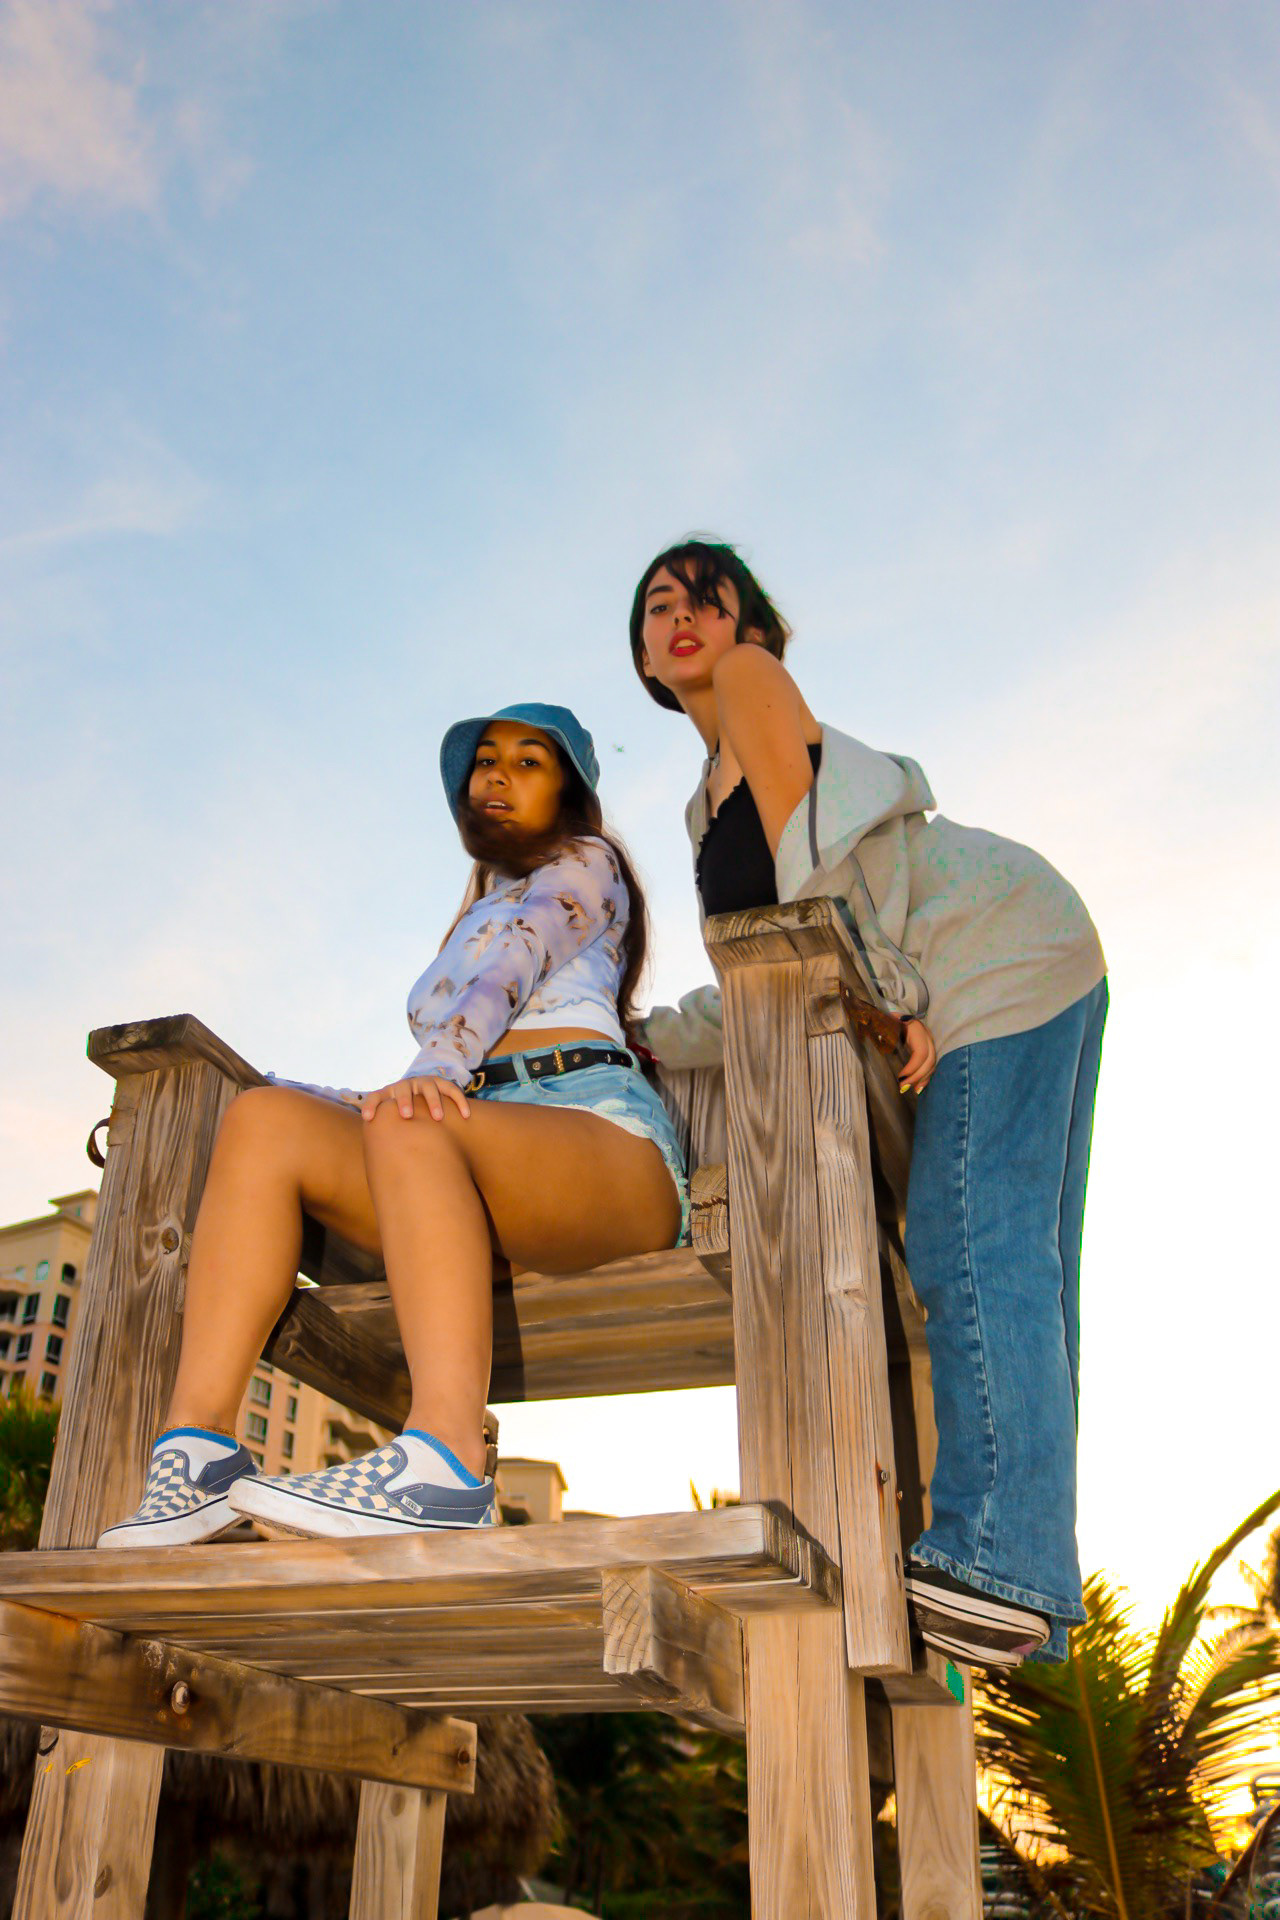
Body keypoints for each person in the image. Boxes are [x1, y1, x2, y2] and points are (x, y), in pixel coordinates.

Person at [629, 539, 1107, 1669]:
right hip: (990, 959)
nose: (688, 616)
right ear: (642, 659)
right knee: (1011, 1260)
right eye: (659, 607)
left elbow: (824, 878)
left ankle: (999, 1561)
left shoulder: (750, 682)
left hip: (988, 949)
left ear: (746, 621)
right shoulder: (703, 809)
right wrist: (641, 1037)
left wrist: (889, 997)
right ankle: (1022, 1574)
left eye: (712, 596)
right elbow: (762, 969)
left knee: (974, 1245)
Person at [98, 703, 686, 1549]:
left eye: (528, 762)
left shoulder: (585, 867)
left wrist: (435, 1071)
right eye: (487, 761)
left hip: (597, 1143)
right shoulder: (476, 909)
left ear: (574, 796)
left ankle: (446, 1462)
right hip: (477, 1153)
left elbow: (517, 963)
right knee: (264, 1121)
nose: (497, 774)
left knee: (413, 1123)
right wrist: (308, 1094)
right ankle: (197, 1463)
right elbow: (441, 1071)